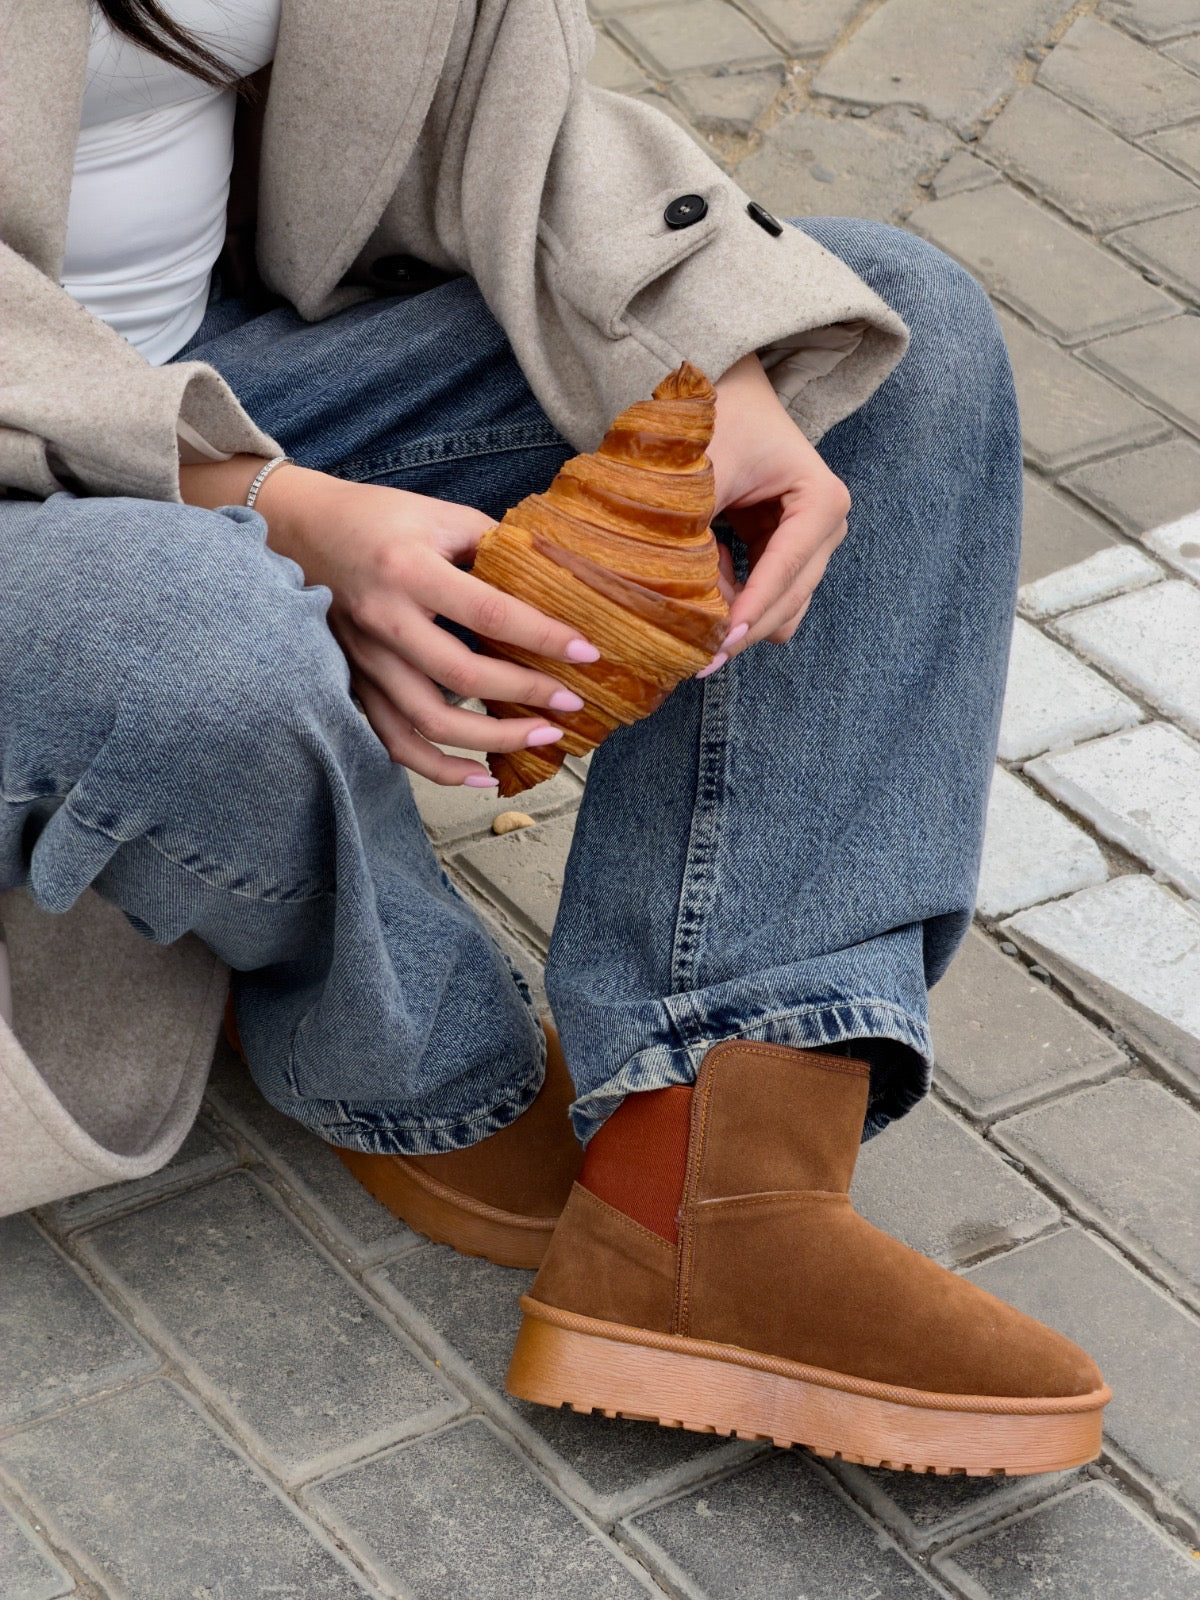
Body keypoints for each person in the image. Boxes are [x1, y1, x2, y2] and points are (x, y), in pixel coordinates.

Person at [0, 0, 1107, 1478]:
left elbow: (497, 104)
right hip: (81, 493)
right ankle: (410, 1057)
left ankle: (707, 1181)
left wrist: (712, 373)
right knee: (195, 633)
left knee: (871, 333)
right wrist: (272, 511)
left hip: (219, 388)